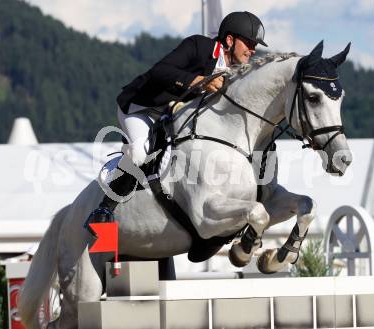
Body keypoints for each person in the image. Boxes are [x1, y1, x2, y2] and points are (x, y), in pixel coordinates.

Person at [86, 11, 268, 225]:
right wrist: (198, 81)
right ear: (229, 40)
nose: (253, 49)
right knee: (139, 153)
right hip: (141, 107)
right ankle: (104, 209)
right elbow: (159, 71)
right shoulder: (199, 47)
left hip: (171, 118)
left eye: (254, 45)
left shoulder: (236, 72)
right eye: (248, 42)